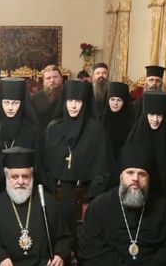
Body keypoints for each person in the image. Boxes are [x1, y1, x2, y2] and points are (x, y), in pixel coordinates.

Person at [41, 80, 114, 228]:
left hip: (86, 195)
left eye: (78, 101)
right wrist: (51, 190)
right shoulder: (53, 128)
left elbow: (104, 167)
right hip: (57, 195)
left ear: (85, 103)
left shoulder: (96, 130)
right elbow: (43, 164)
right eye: (70, 101)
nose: (73, 106)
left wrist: (91, 194)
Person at [0, 77, 42, 190]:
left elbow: (39, 168)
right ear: (0, 102)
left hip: (25, 188)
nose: (10, 108)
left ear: (22, 104)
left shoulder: (32, 133)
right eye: (6, 102)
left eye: (15, 103)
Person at [126, 91, 166, 198]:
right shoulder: (136, 134)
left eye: (159, 115)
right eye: (151, 115)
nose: (155, 120)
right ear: (145, 115)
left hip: (164, 190)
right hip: (138, 188)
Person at [99, 81, 136, 161]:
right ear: (108, 100)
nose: (115, 103)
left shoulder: (132, 122)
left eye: (119, 100)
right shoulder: (100, 120)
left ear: (124, 102)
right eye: (112, 99)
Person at [31, 65, 64, 129]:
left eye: (55, 77)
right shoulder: (35, 98)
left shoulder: (68, 95)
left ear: (61, 78)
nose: (52, 80)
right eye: (48, 78)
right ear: (43, 80)